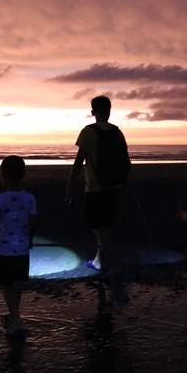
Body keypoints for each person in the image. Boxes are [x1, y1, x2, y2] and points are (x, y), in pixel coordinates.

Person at [65, 95, 130, 273]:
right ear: (109, 111)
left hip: (95, 187)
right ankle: (99, 260)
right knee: (105, 225)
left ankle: (109, 262)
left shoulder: (88, 132)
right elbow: (125, 160)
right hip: (115, 186)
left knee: (99, 228)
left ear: (93, 112)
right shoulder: (117, 132)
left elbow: (79, 162)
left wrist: (69, 186)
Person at [0, 155, 37, 337]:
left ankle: (16, 319)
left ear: (3, 175)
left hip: (5, 251)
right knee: (17, 283)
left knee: (7, 285)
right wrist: (30, 237)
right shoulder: (30, 198)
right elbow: (33, 221)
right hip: (22, 249)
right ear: (23, 174)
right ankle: (14, 315)